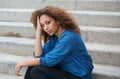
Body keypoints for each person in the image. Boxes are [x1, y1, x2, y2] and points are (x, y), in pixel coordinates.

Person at [14, 6, 94, 79]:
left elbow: (48, 60)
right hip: (66, 72)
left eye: (48, 23)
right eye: (42, 25)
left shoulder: (69, 38)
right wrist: (38, 31)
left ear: (58, 20)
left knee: (37, 70)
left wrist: (22, 63)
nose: (46, 28)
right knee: (33, 66)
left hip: (79, 76)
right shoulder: (55, 38)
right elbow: (38, 57)